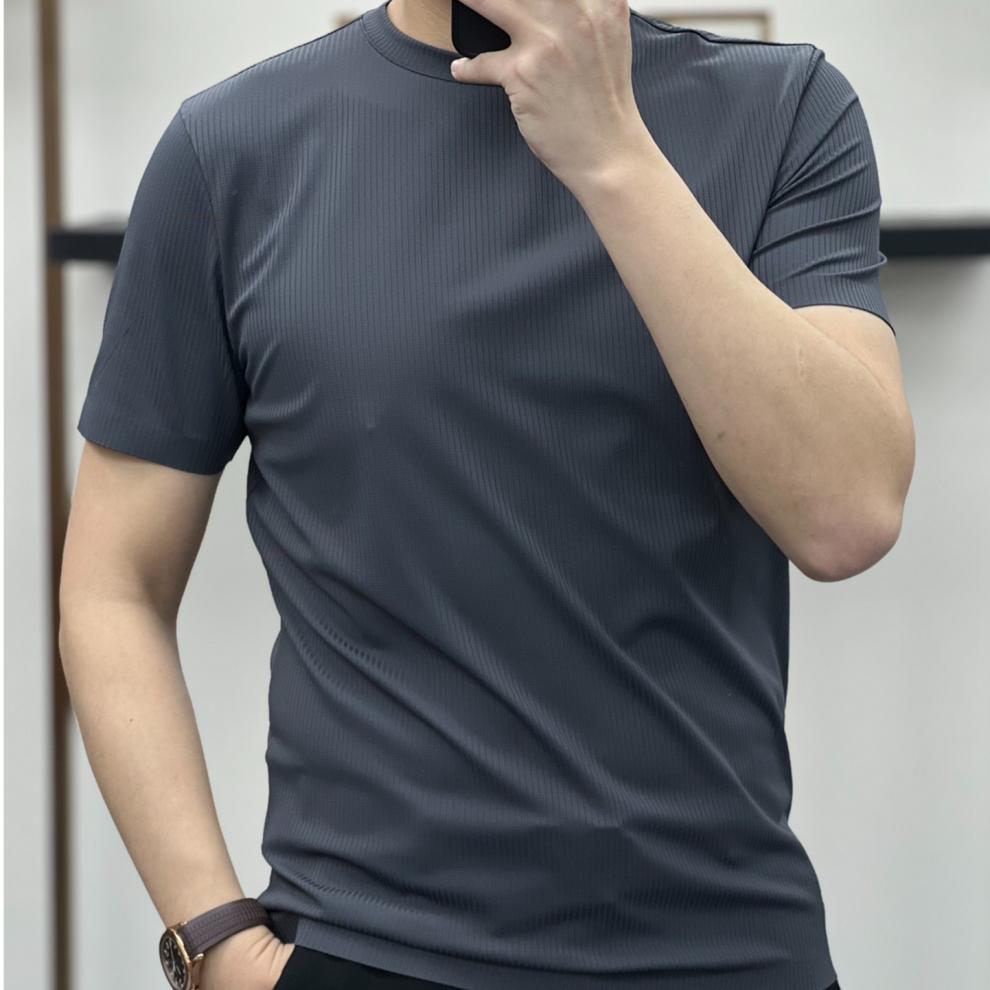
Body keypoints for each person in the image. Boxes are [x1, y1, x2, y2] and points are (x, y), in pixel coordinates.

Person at [59, 0, 914, 988]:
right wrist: (214, 949)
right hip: (369, 949)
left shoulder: (784, 110)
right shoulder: (233, 147)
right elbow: (113, 586)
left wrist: (612, 153)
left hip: (726, 950)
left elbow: (846, 513)